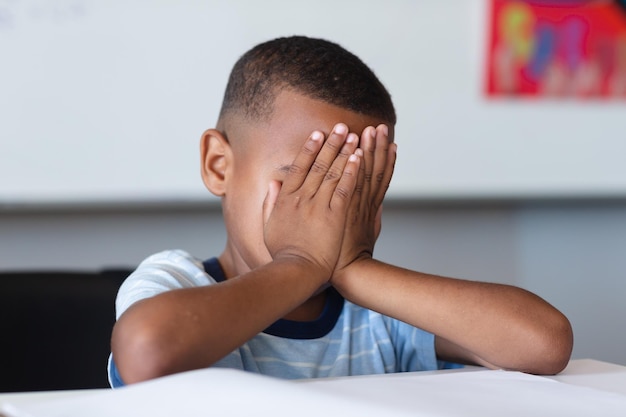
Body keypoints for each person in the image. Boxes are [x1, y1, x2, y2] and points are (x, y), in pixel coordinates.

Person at [109, 36, 573, 387]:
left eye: (353, 191)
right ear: (218, 165)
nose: (327, 212)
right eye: (300, 180)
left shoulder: (379, 320)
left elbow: (545, 344)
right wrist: (302, 263)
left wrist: (351, 268)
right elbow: (148, 352)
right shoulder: (178, 282)